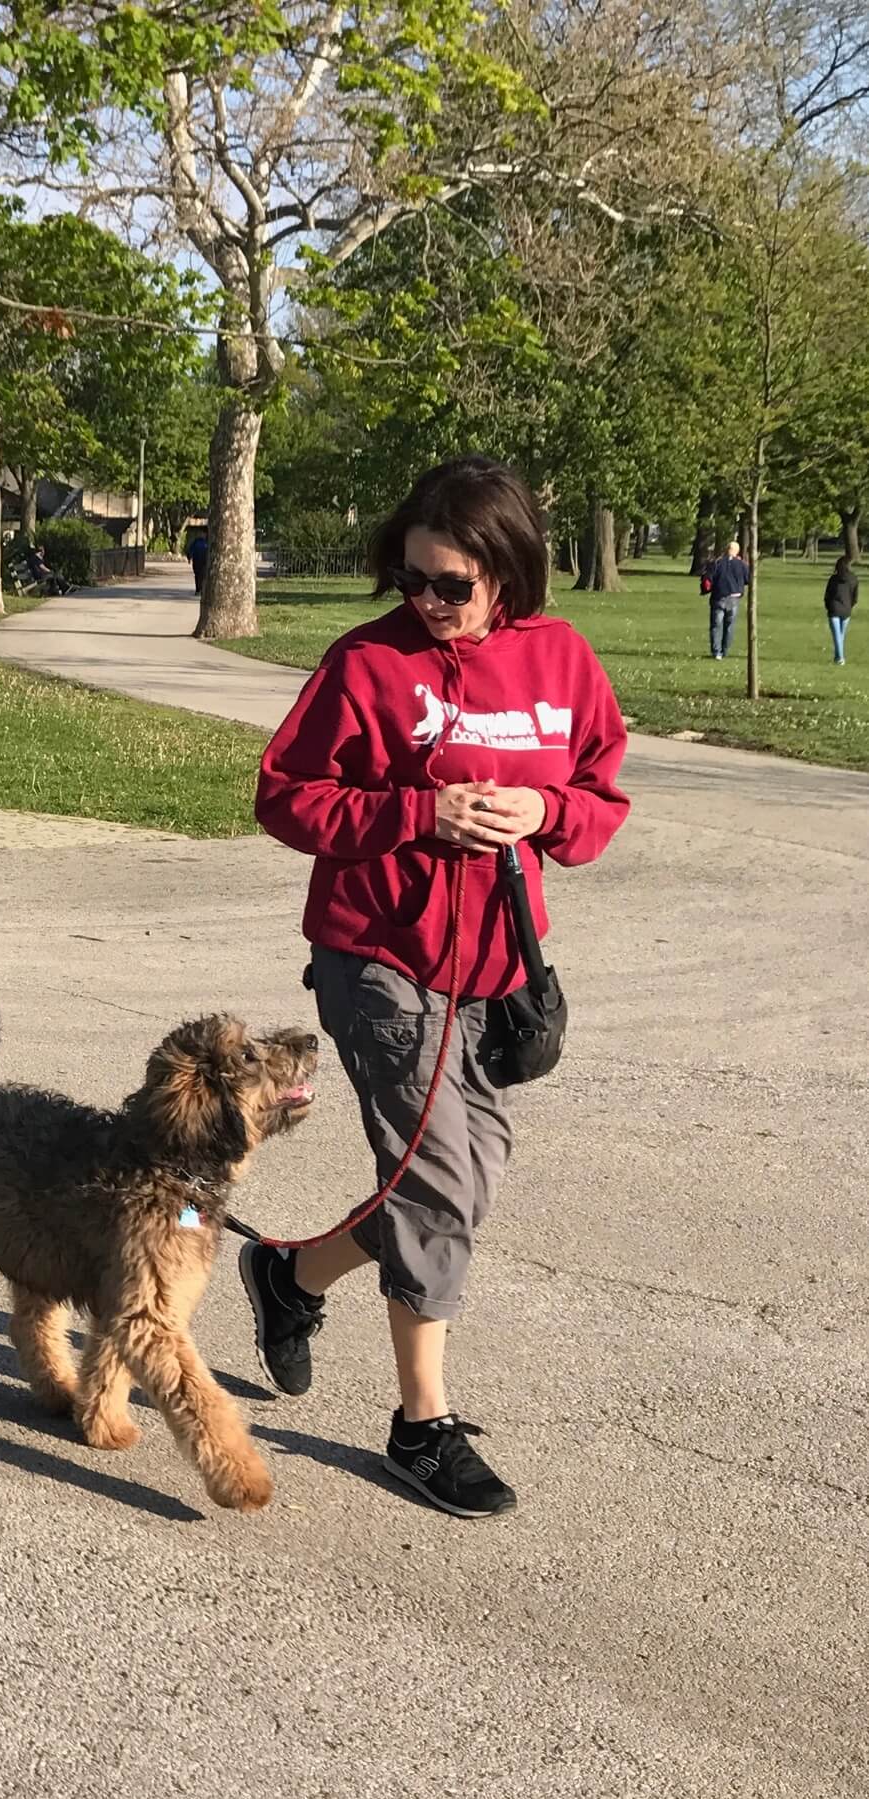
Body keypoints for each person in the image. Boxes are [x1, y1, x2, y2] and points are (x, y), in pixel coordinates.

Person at [241, 454, 629, 1519]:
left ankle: (290, 1275)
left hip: (496, 964)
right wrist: (417, 813)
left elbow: (598, 797)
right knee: (435, 1184)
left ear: (506, 571)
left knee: (464, 1175)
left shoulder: (559, 660)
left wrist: (543, 816)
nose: (424, 601)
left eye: (448, 584)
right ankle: (421, 1424)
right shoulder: (367, 664)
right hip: (378, 958)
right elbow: (285, 796)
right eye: (410, 577)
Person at [708, 539, 750, 659]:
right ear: (737, 552)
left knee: (716, 625)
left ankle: (716, 651)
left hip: (719, 596)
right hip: (734, 597)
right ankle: (725, 650)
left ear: (726, 550)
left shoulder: (718, 562)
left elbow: (710, 578)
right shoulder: (742, 564)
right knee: (729, 625)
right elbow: (748, 579)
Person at [824, 554, 858, 665]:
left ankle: (840, 658)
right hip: (847, 610)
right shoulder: (853, 579)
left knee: (837, 636)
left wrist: (828, 606)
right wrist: (850, 606)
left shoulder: (833, 579)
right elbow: (855, 597)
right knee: (841, 635)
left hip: (834, 609)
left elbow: (827, 595)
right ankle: (837, 657)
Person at [186, 530, 209, 596]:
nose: (202, 535)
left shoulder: (206, 542)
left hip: (203, 562)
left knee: (200, 576)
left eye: (203, 533)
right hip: (197, 561)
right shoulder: (196, 542)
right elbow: (191, 550)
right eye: (201, 533)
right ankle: (198, 589)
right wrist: (189, 558)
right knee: (198, 576)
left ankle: (200, 589)